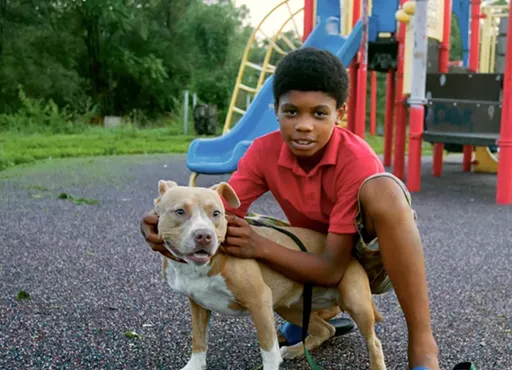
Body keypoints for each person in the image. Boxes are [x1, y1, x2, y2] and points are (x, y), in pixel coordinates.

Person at [141, 47, 440, 370]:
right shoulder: (263, 151)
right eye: (292, 112)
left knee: (385, 190)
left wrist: (261, 246)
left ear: (340, 114)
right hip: (309, 250)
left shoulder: (356, 159)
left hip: (361, 258)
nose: (304, 125)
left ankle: (422, 341)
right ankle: (315, 314)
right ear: (276, 110)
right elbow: (221, 212)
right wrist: (162, 225)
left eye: (319, 114)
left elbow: (332, 268)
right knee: (231, 223)